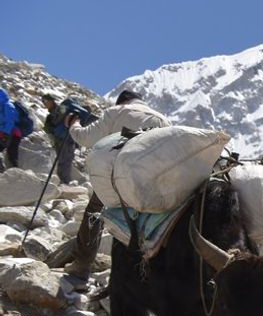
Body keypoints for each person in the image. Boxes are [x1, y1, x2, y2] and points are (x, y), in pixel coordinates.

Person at [47, 89, 170, 282]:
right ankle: (143, 276)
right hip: (149, 183)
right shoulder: (163, 120)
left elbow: (85, 138)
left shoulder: (117, 112)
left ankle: (82, 266)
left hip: (117, 177)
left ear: (122, 101)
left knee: (95, 213)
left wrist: (74, 123)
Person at [41, 92, 94, 184]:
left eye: (45, 101)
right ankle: (62, 181)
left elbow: (51, 127)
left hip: (62, 138)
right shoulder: (59, 110)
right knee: (65, 160)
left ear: (51, 101)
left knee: (64, 160)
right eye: (44, 102)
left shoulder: (60, 109)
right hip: (65, 138)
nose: (45, 104)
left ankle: (63, 182)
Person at [0, 87, 27, 170]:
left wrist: (4, 133)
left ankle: (8, 171)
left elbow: (9, 121)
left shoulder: (7, 105)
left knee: (12, 153)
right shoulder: (4, 105)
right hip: (7, 133)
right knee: (11, 153)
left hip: (8, 134)